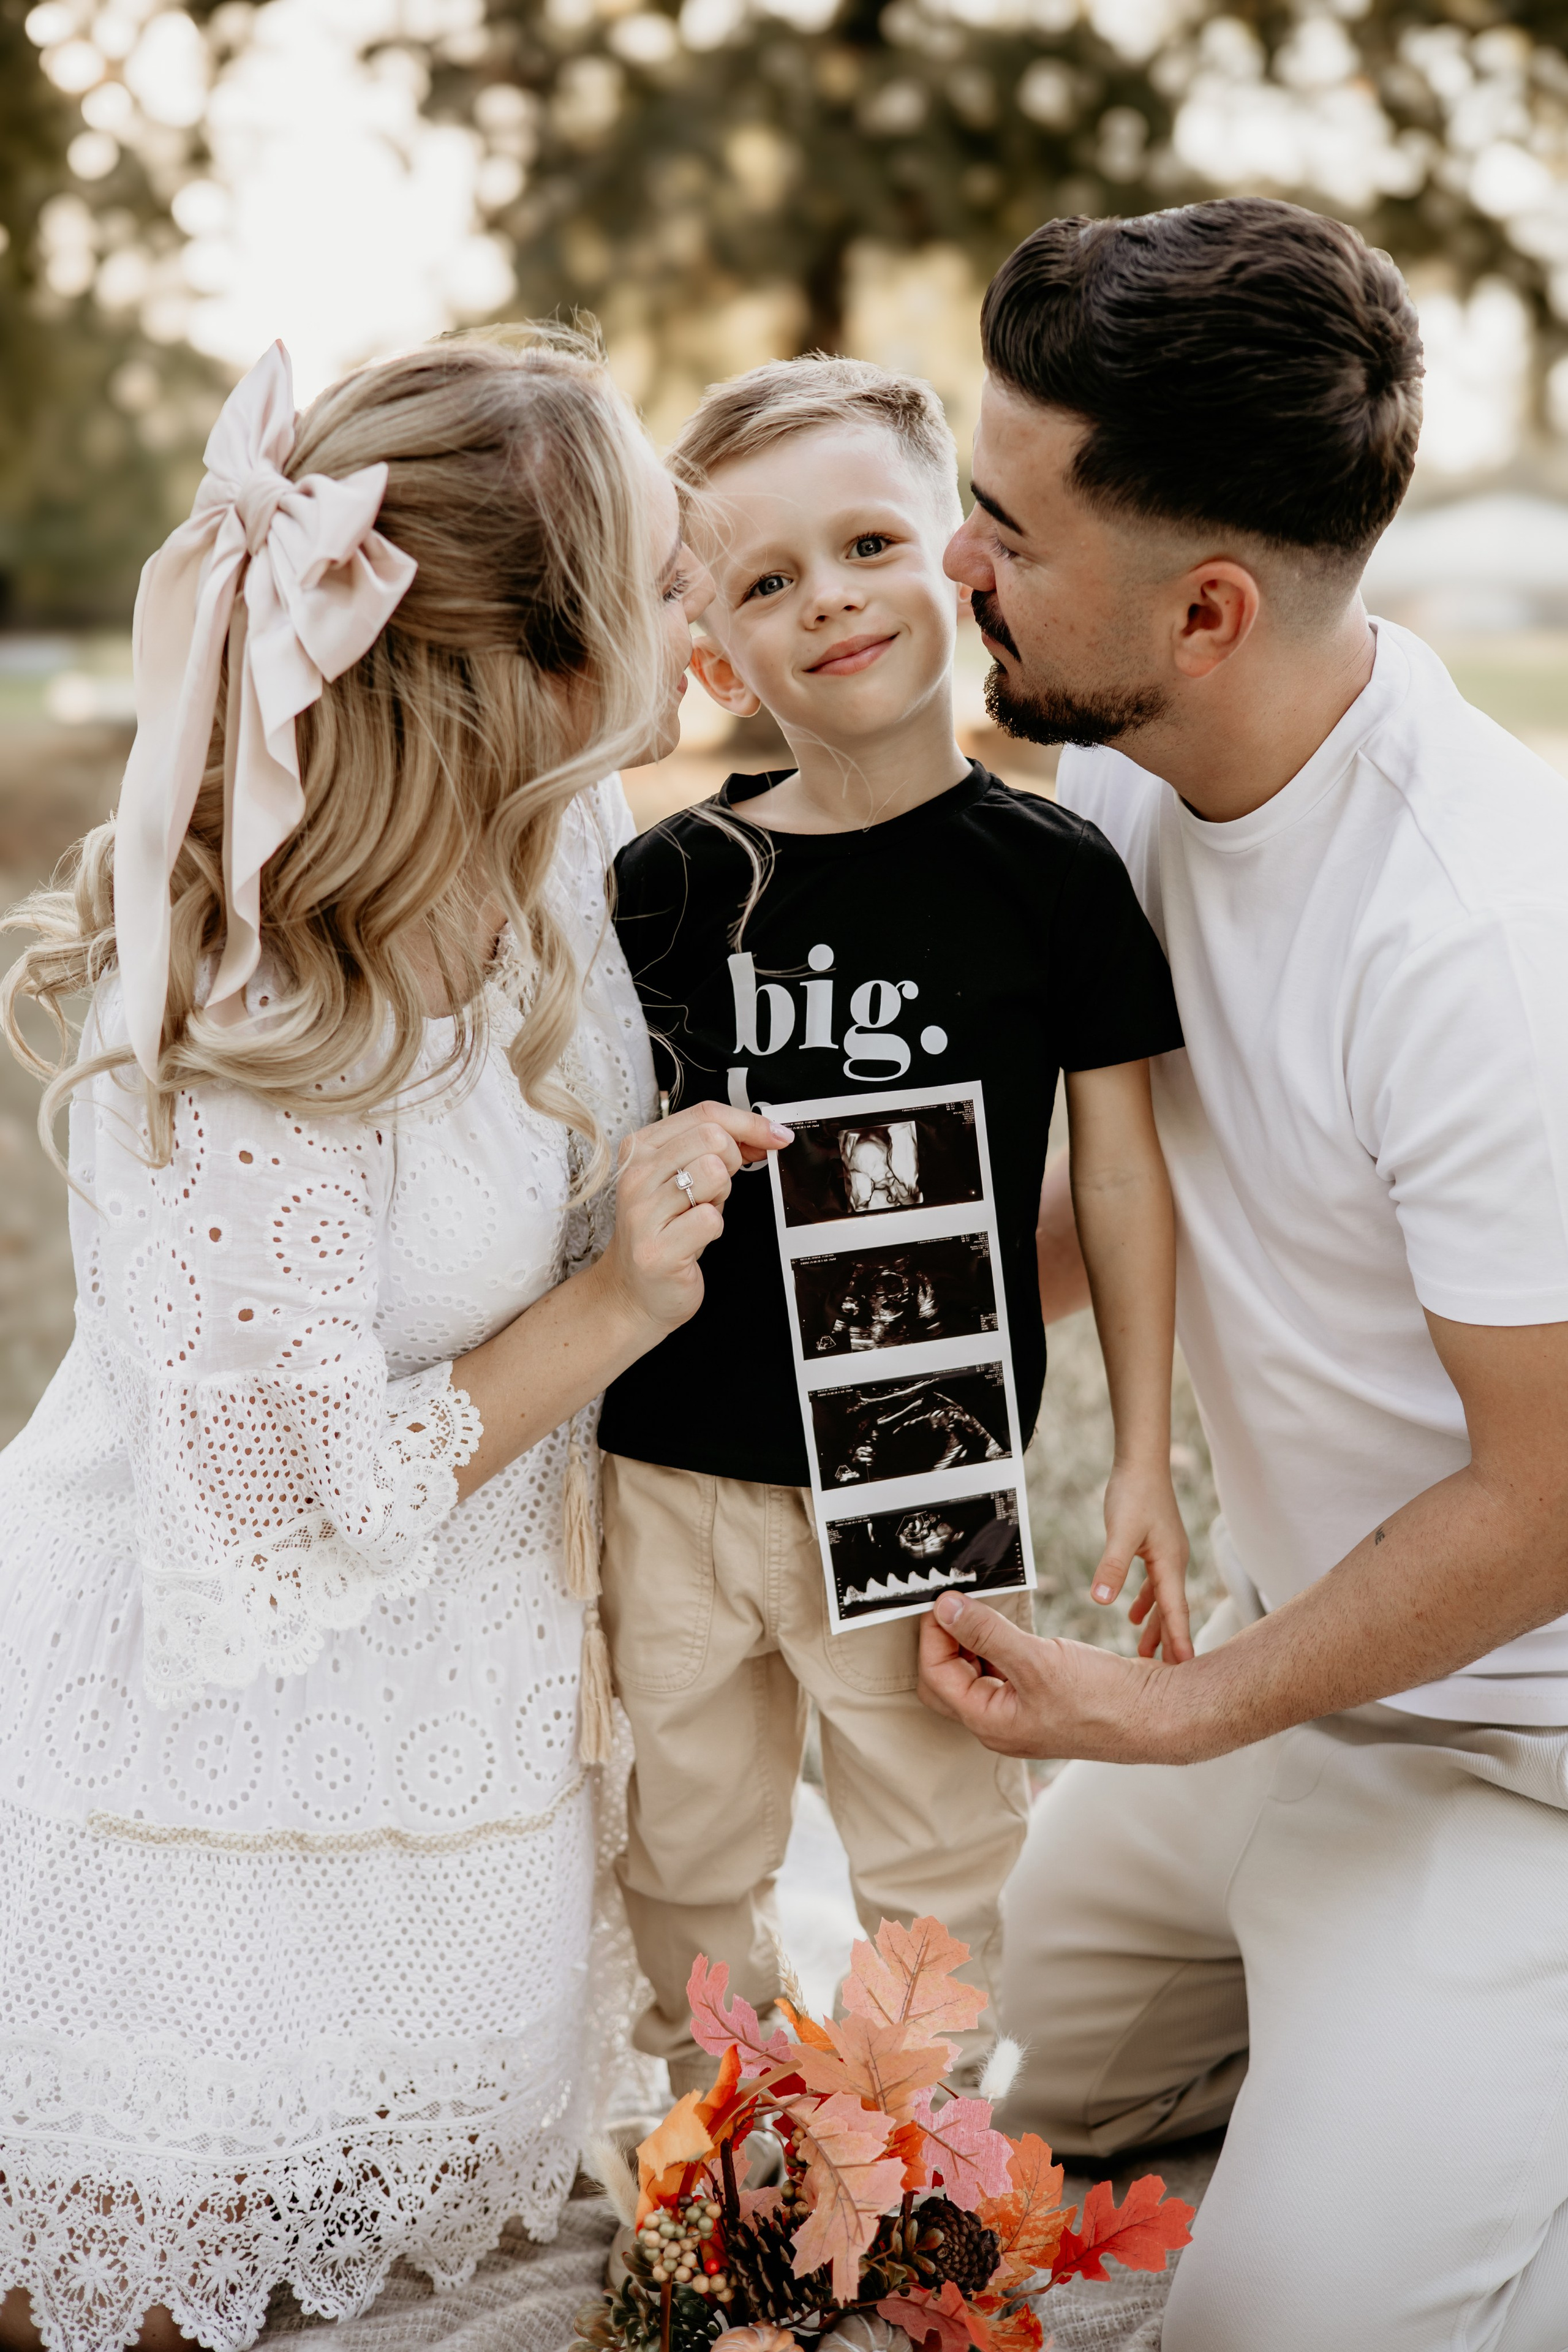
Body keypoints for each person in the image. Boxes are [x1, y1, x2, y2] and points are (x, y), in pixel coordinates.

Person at [0, 331, 786, 2352]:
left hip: (458, 1750)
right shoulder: (264, 1023)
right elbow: (281, 1496)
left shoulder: (562, 860)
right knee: (149, 2297)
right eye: (657, 578)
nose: (696, 609)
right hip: (211, 1782)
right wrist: (609, 1301)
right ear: (528, 673)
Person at [922, 198, 1568, 2350]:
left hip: (1519, 1749)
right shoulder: (1122, 808)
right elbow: (1081, 1234)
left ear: (1206, 608)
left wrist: (1178, 1710)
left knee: (1279, 2325)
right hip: (1307, 1695)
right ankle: (1373, 2055)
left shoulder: (1478, 939)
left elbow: (1551, 1497)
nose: (955, 567)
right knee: (954, 2111)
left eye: (1002, 528)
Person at [597, 355, 1189, 2100]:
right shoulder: (672, 886)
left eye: (867, 543)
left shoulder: (1051, 871)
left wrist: (1141, 1449)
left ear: (959, 556)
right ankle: (721, 2146)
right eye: (767, 582)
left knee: (937, 1853)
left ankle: (913, 2159)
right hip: (675, 1469)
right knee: (685, 1849)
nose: (830, 600)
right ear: (711, 647)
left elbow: (1128, 1177)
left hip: (915, 1457)